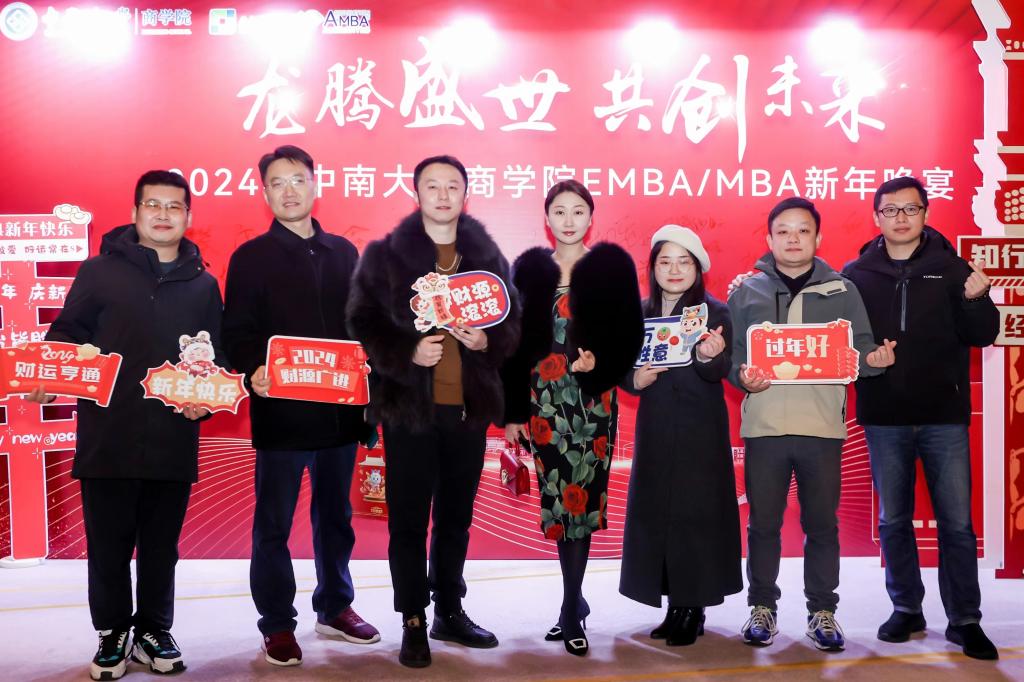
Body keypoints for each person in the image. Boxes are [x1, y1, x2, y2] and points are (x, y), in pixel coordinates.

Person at [28, 170, 223, 680]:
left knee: (161, 547)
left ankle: (155, 629)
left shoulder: (203, 284)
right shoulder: (99, 272)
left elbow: (215, 357)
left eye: (174, 206)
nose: (163, 215)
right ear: (135, 212)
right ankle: (113, 631)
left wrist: (205, 399)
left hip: (172, 436)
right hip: (107, 433)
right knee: (109, 545)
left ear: (188, 216)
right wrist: (47, 373)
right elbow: (66, 333)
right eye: (152, 205)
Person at [347, 154, 520, 668]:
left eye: (452, 186)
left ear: (466, 194)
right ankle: (413, 619)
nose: (443, 195)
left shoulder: (487, 258)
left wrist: (488, 341)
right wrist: (407, 352)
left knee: (455, 519)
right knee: (407, 521)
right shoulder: (384, 256)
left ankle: (449, 609)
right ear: (416, 193)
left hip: (468, 410)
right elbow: (362, 321)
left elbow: (512, 323)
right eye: (432, 186)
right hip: (410, 411)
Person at [222, 145, 378, 667]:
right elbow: (236, 332)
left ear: (315, 184)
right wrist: (253, 369)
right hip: (282, 415)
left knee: (336, 519)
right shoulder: (250, 257)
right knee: (273, 525)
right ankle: (277, 623)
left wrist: (371, 367)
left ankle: (335, 606)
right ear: (265, 192)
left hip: (339, 417)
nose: (289, 190)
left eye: (297, 179)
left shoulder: (345, 253)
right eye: (277, 182)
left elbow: (362, 325)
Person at [728, 197, 896, 652]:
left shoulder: (843, 290)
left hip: (822, 427)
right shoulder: (746, 291)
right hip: (764, 426)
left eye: (803, 230)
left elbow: (861, 351)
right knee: (763, 525)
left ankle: (822, 611)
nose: (793, 239)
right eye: (783, 231)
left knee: (821, 525)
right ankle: (761, 608)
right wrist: (741, 375)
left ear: (818, 237)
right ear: (769, 239)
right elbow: (733, 357)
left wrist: (876, 361)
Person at [842, 175, 1000, 660]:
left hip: (942, 416)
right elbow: (839, 341)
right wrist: (867, 359)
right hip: (884, 415)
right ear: (876, 217)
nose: (901, 218)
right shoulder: (856, 274)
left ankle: (965, 619)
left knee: (957, 524)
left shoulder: (953, 268)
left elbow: (983, 335)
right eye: (890, 210)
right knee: (894, 521)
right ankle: (906, 608)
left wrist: (977, 298)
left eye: (910, 209)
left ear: (925, 214)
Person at [502, 180, 644, 656]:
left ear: (590, 217)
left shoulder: (610, 266)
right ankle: (574, 601)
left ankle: (568, 610)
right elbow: (511, 345)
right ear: (547, 219)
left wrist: (599, 364)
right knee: (559, 507)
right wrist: (513, 412)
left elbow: (630, 335)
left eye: (578, 211)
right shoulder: (528, 270)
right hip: (542, 403)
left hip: (590, 403)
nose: (568, 220)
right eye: (559, 211)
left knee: (579, 505)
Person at [618, 225, 742, 646]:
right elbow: (624, 370)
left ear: (698, 267)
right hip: (655, 427)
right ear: (652, 268)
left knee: (695, 516)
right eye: (665, 261)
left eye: (683, 261)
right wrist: (636, 379)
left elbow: (719, 369)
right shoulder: (639, 312)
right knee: (659, 514)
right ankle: (674, 604)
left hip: (700, 428)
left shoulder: (716, 312)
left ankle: (693, 606)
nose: (674, 269)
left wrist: (709, 356)